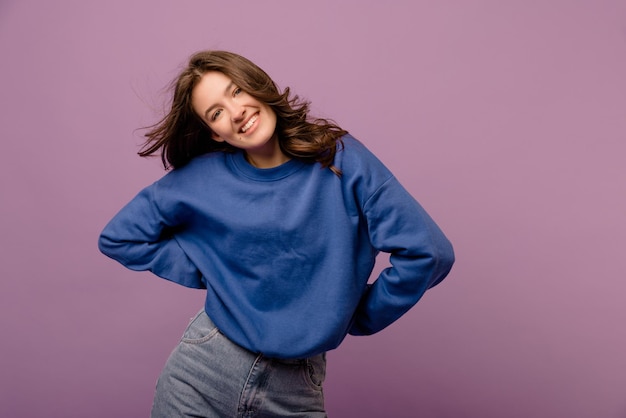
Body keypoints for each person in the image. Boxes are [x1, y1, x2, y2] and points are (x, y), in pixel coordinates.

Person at [98, 50, 454, 418]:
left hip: (295, 389)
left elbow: (429, 252)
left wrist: (355, 313)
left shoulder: (339, 158)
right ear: (214, 133)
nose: (235, 112)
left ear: (258, 86)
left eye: (236, 92)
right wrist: (213, 272)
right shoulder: (201, 179)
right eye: (216, 112)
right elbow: (119, 237)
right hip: (201, 372)